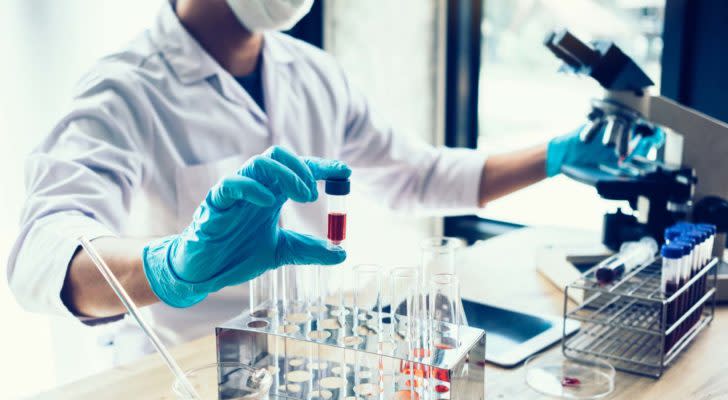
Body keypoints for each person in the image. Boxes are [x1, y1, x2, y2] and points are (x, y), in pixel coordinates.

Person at [7, 0, 645, 362]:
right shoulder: (124, 88)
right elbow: (43, 254)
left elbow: (413, 175)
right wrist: (173, 265)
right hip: (190, 369)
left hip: (312, 359)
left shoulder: (313, 73)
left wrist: (556, 156)